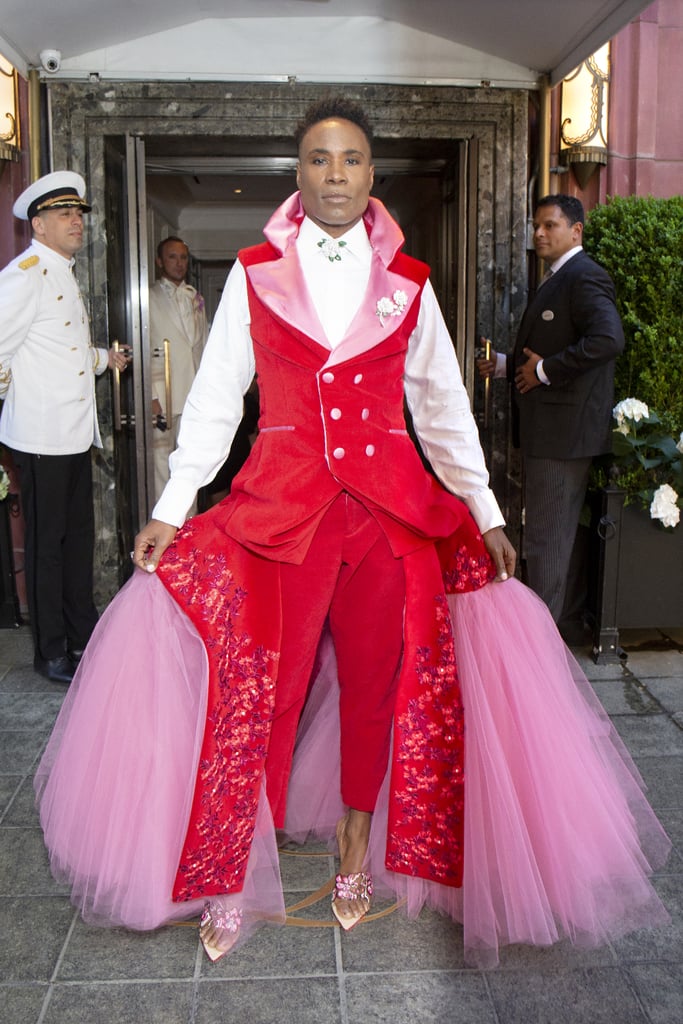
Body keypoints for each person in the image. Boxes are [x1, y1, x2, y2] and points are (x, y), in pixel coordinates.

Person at [35, 105, 669, 968]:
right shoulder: (256, 274)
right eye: (318, 159)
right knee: (266, 696)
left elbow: (442, 404)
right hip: (280, 513)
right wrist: (172, 505)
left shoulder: (409, 279)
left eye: (352, 159)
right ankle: (236, 874)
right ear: (296, 175)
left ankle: (353, 850)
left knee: (377, 690)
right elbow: (219, 397)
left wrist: (482, 510)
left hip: (386, 517)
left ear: (371, 176)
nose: (334, 173)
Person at [0, 171, 130, 684]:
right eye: (63, 214)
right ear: (38, 223)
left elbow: (62, 350)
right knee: (46, 547)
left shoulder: (61, 270)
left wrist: (105, 357)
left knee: (75, 542)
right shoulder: (25, 274)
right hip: (39, 435)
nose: (76, 222)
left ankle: (81, 636)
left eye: (78, 213)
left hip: (73, 434)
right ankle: (50, 649)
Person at [477, 194, 624, 626]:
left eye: (550, 226)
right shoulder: (559, 276)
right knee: (546, 540)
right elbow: (552, 348)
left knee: (547, 545)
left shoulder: (583, 276)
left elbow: (607, 339)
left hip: (563, 436)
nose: (539, 233)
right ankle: (541, 642)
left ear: (576, 231)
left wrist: (544, 370)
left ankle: (543, 650)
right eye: (536, 225)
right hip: (552, 433)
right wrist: (509, 367)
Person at [149, 236, 208, 501]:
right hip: (164, 393)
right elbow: (145, 349)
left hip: (193, 393)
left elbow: (203, 345)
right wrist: (151, 395)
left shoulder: (194, 297)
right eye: (172, 257)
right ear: (160, 261)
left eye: (183, 257)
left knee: (191, 464)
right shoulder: (148, 297)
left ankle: (188, 529)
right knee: (162, 465)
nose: (179, 263)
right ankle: (162, 528)